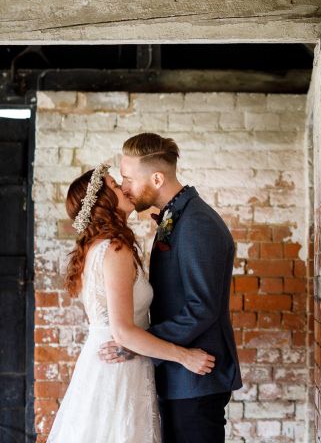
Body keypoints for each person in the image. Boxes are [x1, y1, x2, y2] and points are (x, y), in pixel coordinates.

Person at [48, 164, 215, 442]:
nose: (124, 188)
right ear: (103, 202)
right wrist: (184, 356)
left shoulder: (98, 246)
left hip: (111, 361)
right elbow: (123, 332)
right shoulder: (114, 249)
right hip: (116, 370)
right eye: (115, 185)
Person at [98, 133, 242, 443]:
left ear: (157, 178)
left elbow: (201, 307)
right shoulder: (176, 217)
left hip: (195, 376)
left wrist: (140, 344)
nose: (124, 187)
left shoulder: (196, 223)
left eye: (128, 178)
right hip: (179, 375)